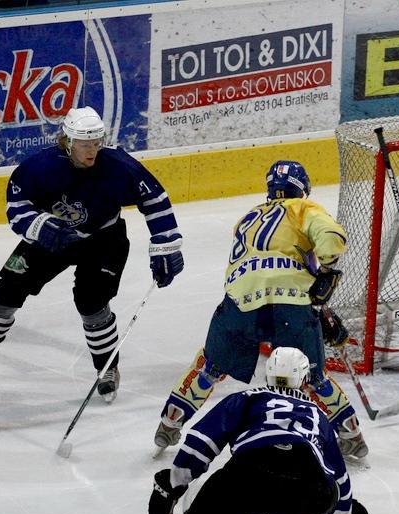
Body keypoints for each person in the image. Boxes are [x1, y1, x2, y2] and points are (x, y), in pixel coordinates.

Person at [91, 347, 368, 514]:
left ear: (268, 374)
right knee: (325, 501)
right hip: (303, 484)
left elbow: (202, 441)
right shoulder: (319, 416)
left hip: (245, 476)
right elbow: (339, 477)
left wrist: (174, 482)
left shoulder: (248, 398)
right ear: (304, 379)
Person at [153, 160, 369, 464]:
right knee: (312, 375)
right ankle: (351, 434)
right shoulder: (303, 208)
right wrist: (327, 270)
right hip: (291, 302)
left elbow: (263, 269)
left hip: (240, 302)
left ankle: (170, 422)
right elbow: (331, 239)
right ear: (302, 189)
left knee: (210, 366)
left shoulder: (247, 218)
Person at [0, 107, 184, 400]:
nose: (92, 150)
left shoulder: (118, 166)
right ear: (68, 142)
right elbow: (16, 206)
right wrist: (40, 226)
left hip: (105, 240)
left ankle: (107, 368)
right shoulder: (41, 167)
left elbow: (155, 199)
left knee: (92, 304)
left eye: (96, 142)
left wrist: (166, 244)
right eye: (84, 144)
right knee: (7, 291)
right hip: (54, 238)